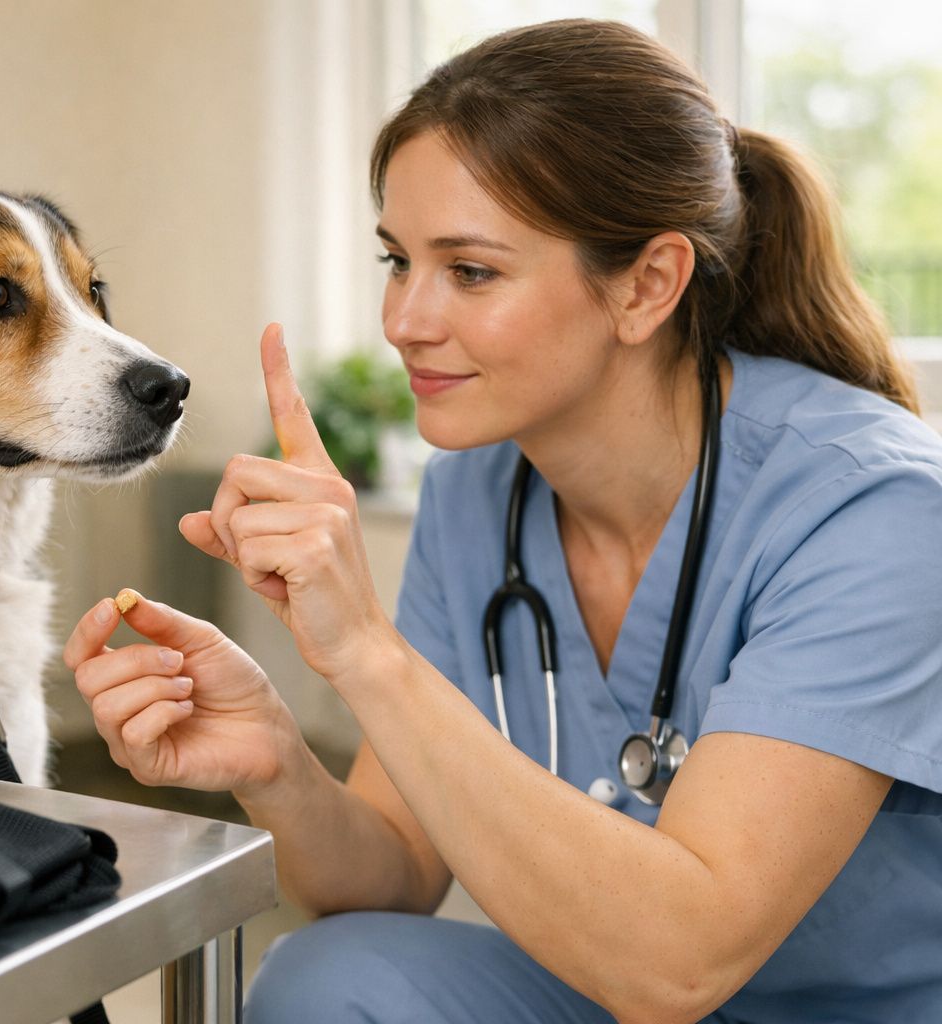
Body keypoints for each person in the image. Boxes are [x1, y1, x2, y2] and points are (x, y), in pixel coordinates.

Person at [63, 18, 942, 1024]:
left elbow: (680, 965)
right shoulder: (480, 489)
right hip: (612, 991)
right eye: (398, 260)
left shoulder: (876, 508)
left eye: (470, 271)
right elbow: (389, 875)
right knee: (327, 973)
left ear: (648, 284)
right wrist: (274, 759)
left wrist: (366, 652)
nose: (403, 319)